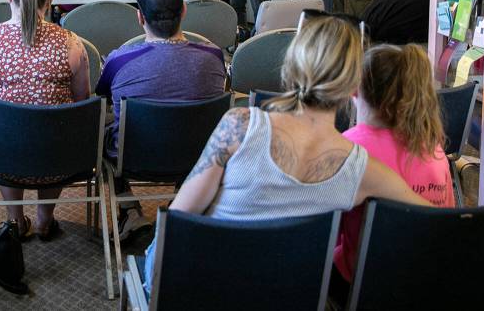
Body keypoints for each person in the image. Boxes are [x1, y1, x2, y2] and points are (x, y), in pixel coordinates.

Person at [140, 15, 429, 296]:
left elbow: (177, 221)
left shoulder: (240, 126)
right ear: (355, 86)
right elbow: (437, 221)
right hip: (287, 297)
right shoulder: (361, 169)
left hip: (199, 291)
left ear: (290, 67)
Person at [96, 0, 227, 240]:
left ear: (140, 18)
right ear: (184, 12)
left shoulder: (118, 60)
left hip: (133, 157)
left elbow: (103, 96)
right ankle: (182, 201)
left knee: (97, 134)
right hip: (198, 156)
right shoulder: (214, 57)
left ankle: (129, 210)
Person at [0, 0, 90, 239]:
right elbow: (81, 99)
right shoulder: (72, 43)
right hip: (60, 154)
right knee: (56, 129)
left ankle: (16, 221)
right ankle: (45, 219)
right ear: (51, 0)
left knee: (3, 129)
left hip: (2, 152)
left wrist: (17, 118)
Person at [332, 43, 454, 293]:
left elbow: (325, 233)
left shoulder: (348, 147)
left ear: (354, 91)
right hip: (426, 284)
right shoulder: (434, 149)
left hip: (363, 286)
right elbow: (446, 221)